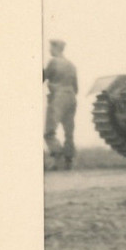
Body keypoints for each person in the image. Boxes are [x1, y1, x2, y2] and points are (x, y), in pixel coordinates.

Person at [43, 39, 78, 171]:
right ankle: (69, 161)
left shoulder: (53, 62)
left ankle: (57, 159)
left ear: (57, 47)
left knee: (49, 132)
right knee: (69, 132)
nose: (49, 50)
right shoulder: (71, 64)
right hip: (71, 97)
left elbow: (42, 77)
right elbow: (76, 87)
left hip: (58, 97)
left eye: (51, 47)